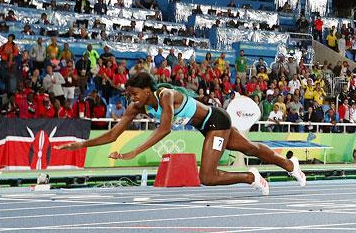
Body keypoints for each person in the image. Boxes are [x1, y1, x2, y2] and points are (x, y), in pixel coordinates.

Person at [56, 73, 306, 195]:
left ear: (146, 90)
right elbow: (113, 134)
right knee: (250, 148)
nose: (131, 98)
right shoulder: (135, 107)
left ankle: (250, 177)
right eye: (129, 94)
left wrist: (133, 151)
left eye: (134, 93)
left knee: (207, 176)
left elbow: (164, 129)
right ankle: (290, 164)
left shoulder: (165, 96)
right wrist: (81, 145)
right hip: (206, 126)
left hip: (216, 120)